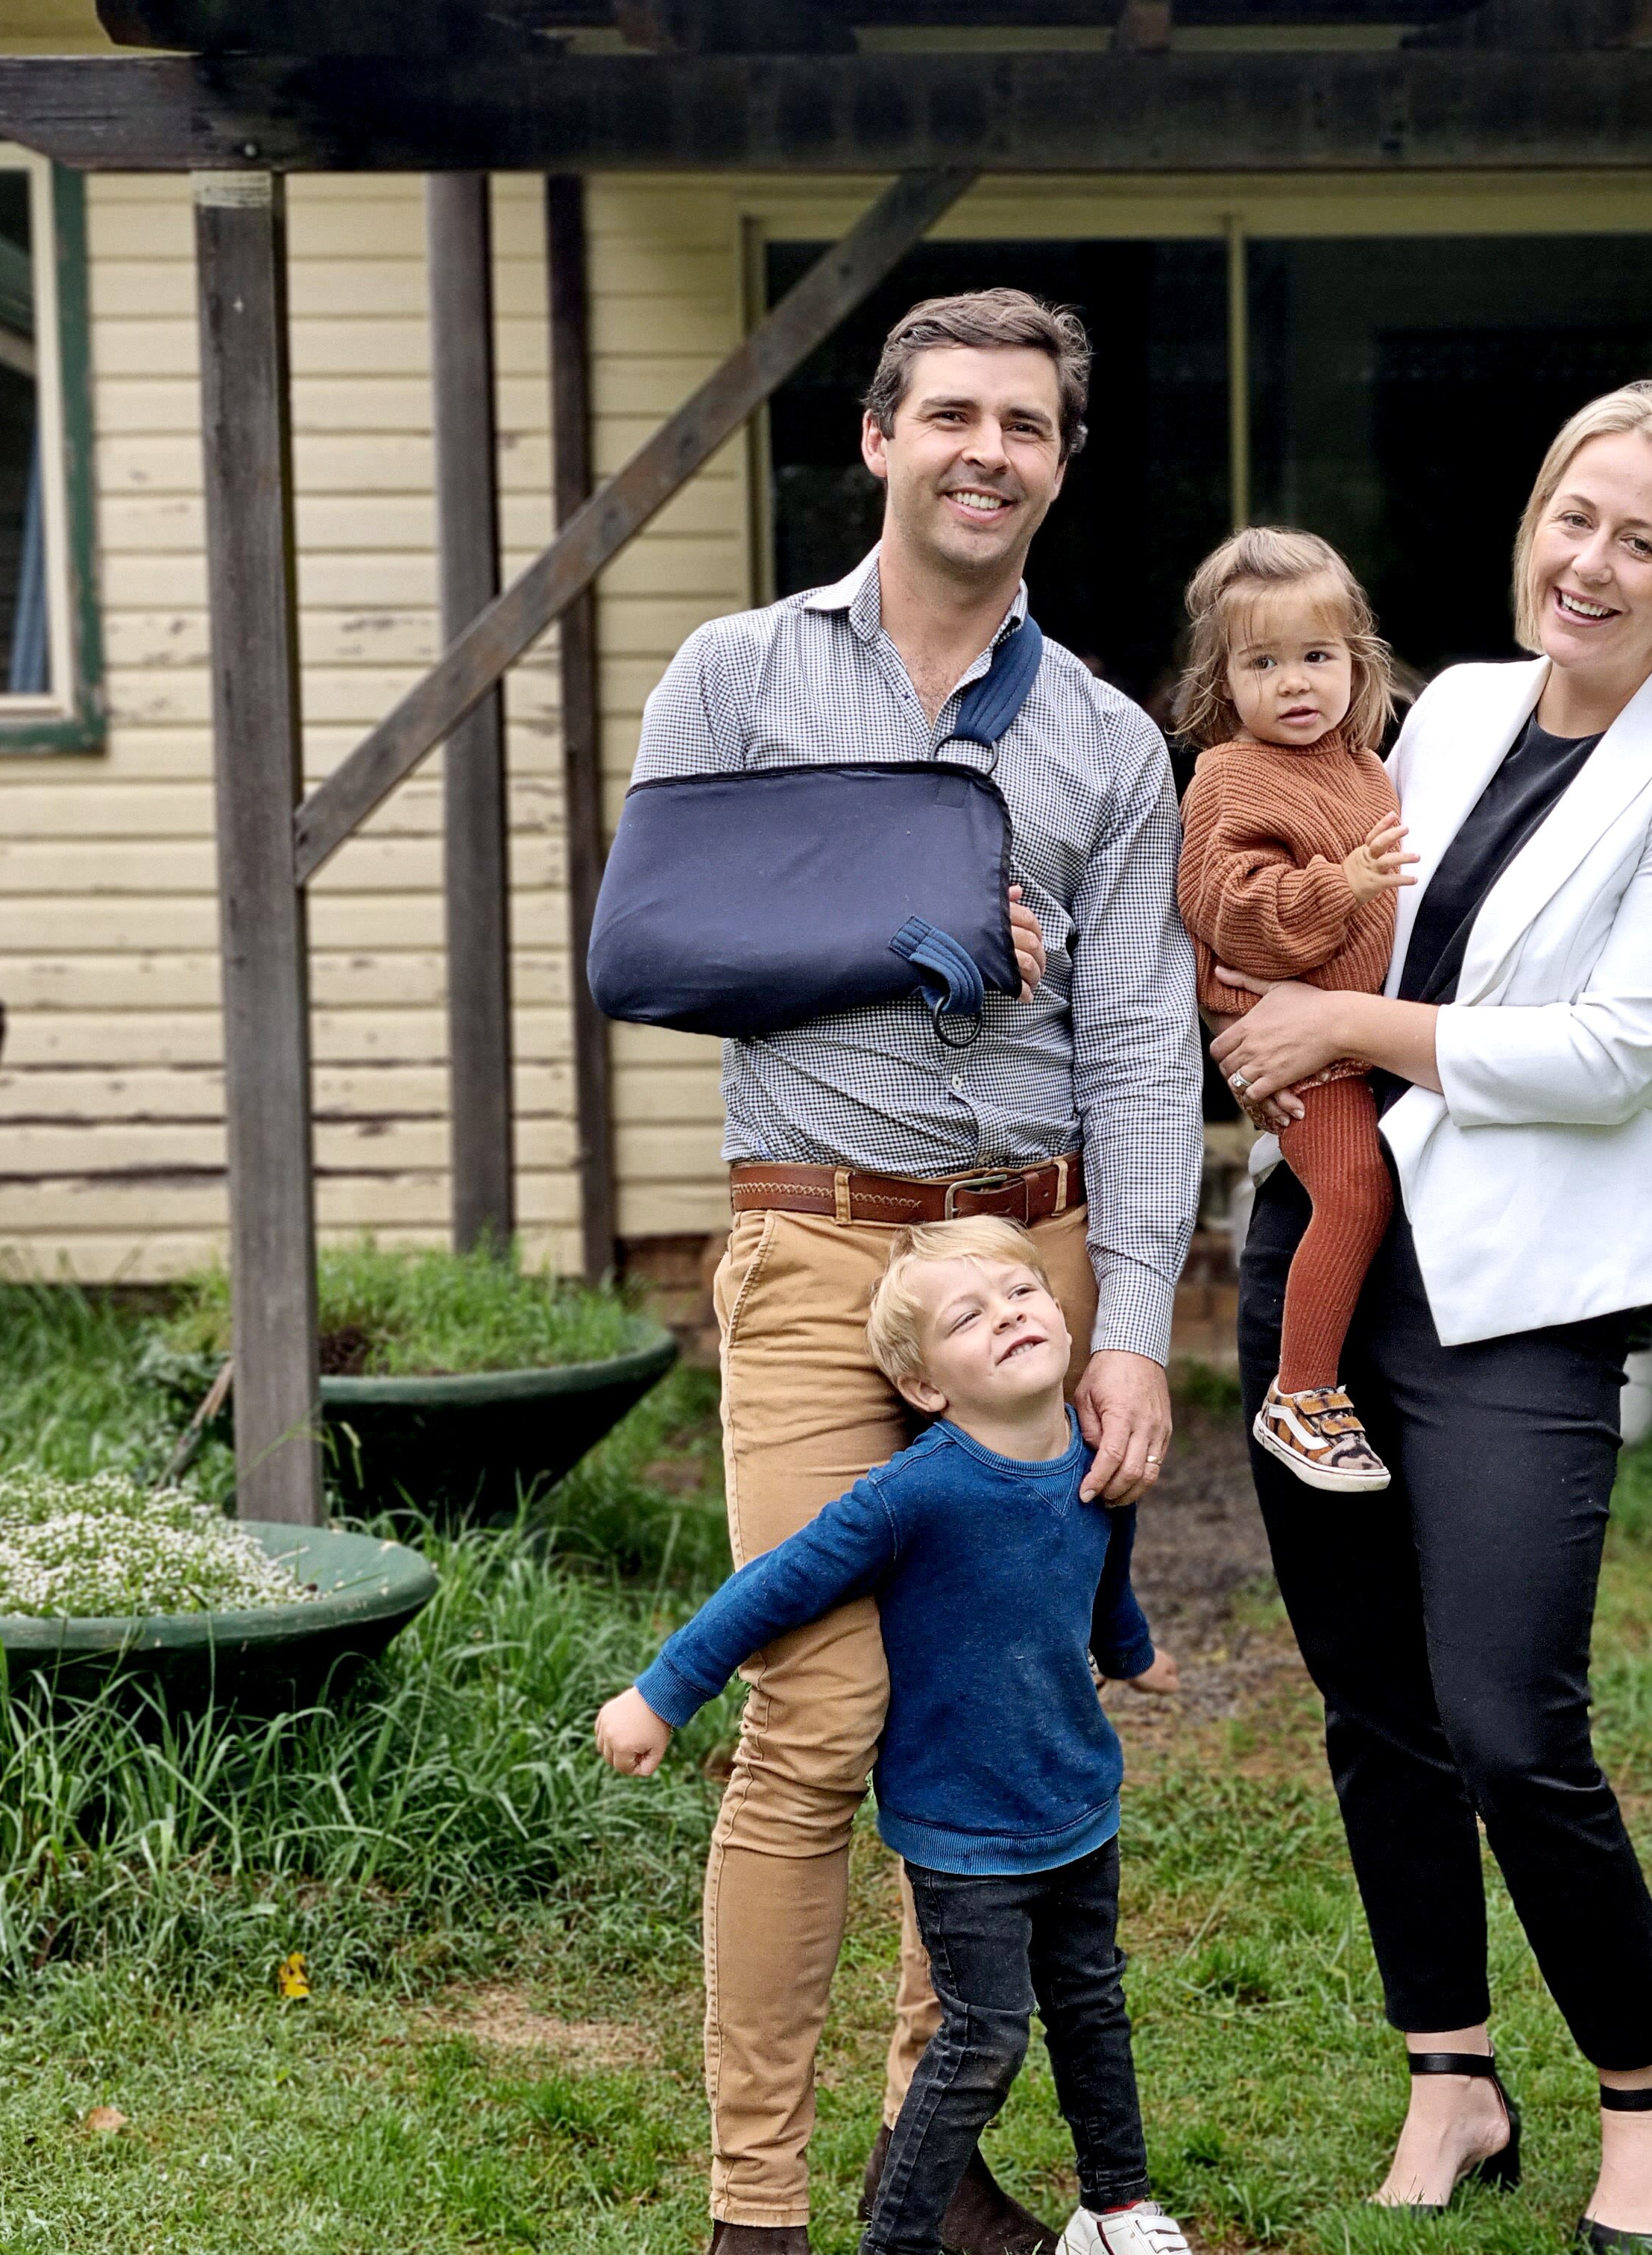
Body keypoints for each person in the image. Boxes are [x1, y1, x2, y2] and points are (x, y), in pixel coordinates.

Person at [630, 287, 1203, 2255]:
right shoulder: (738, 675)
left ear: (1059, 464)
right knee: (816, 1722)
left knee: (972, 1716)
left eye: (1023, 424)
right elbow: (660, 953)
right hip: (810, 1247)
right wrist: (915, 929)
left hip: (1024, 1256)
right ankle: (757, 2211)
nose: (984, 449)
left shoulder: (1113, 742)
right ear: (873, 438)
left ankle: (926, 2164)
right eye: (946, 412)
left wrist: (1135, 1326)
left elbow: (1142, 1041)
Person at [1204, 380, 1652, 2250]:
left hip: (1515, 1309)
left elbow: (1621, 1057)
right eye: (1572, 518)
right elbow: (1304, 892)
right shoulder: (1447, 707)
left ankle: (1643, 2100)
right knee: (1377, 1711)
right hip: (1319, 1254)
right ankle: (1450, 2076)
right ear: (1531, 527)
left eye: (1640, 538)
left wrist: (1343, 1034)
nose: (1592, 563)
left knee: (1508, 1718)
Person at [596, 1218, 1188, 2255]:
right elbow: (774, 1587)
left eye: (1021, 1292)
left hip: (1077, 1803)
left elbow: (1105, 1576)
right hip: (961, 1833)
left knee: (1094, 2008)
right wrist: (662, 1691)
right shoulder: (914, 1494)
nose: (1008, 1314)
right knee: (986, 2038)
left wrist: (1131, 1652)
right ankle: (901, 2239)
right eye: (971, 1314)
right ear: (925, 1388)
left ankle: (1116, 2207)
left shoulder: (1094, 1459)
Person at [1170, 527, 1413, 1493]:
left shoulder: (1363, 767)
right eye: (1264, 663)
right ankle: (1301, 1392)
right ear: (1225, 680)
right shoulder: (1231, 776)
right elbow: (1233, 915)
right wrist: (1339, 888)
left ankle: (1349, 1378)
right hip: (1292, 1042)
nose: (1296, 683)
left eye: (1318, 657)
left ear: (1357, 663)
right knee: (1354, 1193)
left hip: (1363, 1039)